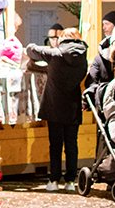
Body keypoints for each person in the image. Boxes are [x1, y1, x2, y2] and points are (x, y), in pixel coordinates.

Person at [25, 27, 88, 192]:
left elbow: (31, 49)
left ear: (63, 39)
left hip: (54, 105)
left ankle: (53, 180)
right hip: (73, 105)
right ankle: (70, 182)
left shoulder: (54, 54)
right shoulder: (83, 56)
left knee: (55, 144)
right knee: (72, 145)